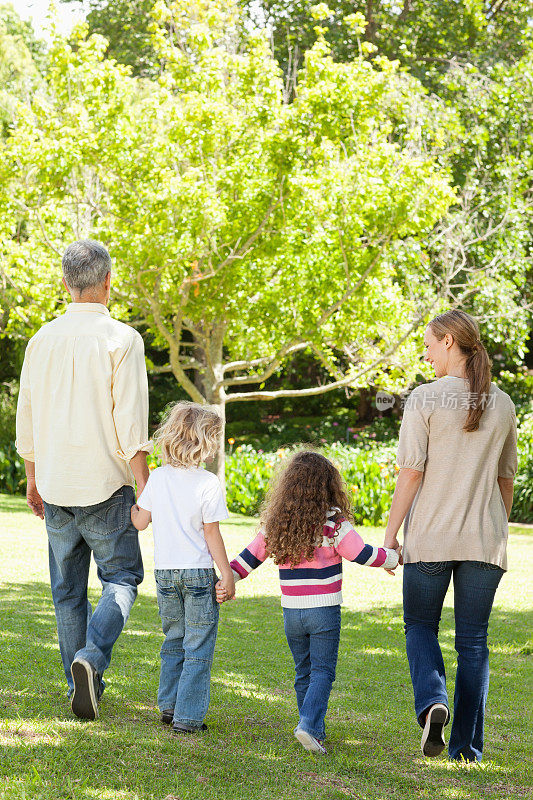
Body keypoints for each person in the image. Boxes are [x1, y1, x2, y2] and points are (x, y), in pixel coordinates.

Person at [15, 240, 152, 721]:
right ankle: (90, 660)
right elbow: (130, 424)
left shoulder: (40, 340)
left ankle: (81, 677)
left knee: (66, 591)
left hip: (54, 485)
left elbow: (26, 417)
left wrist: (33, 477)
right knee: (122, 578)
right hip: (106, 486)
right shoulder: (122, 340)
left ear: (65, 283)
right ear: (108, 282)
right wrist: (144, 488)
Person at [383, 309, 518, 761]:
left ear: (447, 341)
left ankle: (431, 702)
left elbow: (410, 474)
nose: (425, 353)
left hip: (431, 539)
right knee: (474, 642)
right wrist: (496, 528)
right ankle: (466, 750)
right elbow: (506, 481)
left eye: (427, 343)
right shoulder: (503, 404)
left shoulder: (425, 399)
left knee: (420, 626)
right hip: (485, 541)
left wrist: (389, 535)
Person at [217, 450, 400, 754]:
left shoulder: (278, 522)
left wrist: (226, 580)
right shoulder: (333, 523)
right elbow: (362, 553)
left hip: (292, 612)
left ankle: (313, 729)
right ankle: (309, 726)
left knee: (304, 671)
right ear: (328, 485)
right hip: (323, 610)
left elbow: (247, 559)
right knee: (323, 671)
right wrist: (392, 557)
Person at [131, 401, 235, 734]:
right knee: (198, 645)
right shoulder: (207, 483)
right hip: (199, 574)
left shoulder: (158, 479)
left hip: (165, 575)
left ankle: (169, 706)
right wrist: (228, 574)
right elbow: (211, 533)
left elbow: (139, 522)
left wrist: (135, 493)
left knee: (173, 640)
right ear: (206, 443)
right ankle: (188, 717)